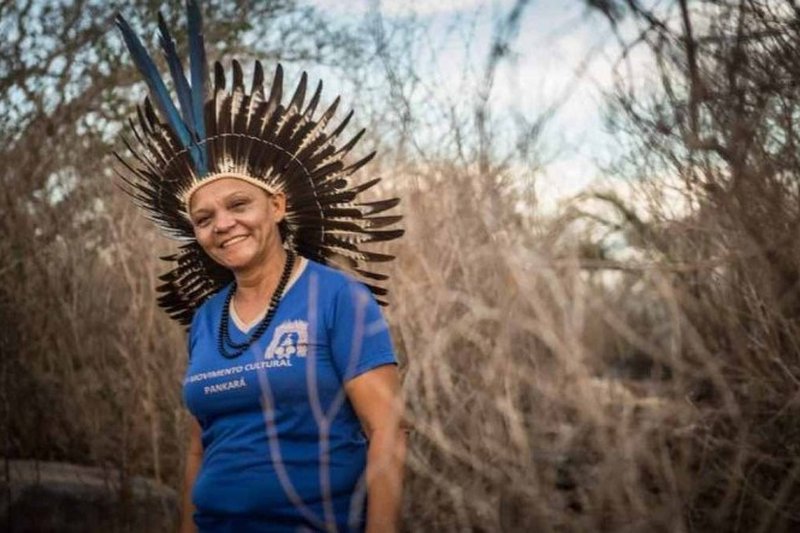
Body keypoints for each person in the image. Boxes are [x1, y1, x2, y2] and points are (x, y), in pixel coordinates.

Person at [114, 2, 406, 531]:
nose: (222, 224)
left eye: (238, 206)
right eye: (203, 218)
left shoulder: (338, 299)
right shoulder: (206, 318)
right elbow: (202, 450)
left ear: (277, 206)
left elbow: (388, 431)